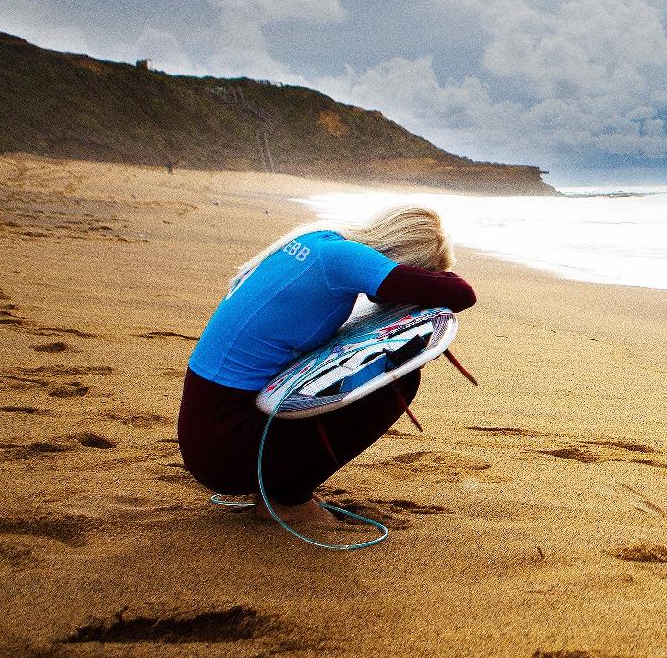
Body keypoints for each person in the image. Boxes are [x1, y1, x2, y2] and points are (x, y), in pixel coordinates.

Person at [178, 206, 477, 527]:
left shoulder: (316, 241)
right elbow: (461, 293)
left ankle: (279, 486)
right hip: (230, 450)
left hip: (206, 433)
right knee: (400, 381)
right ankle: (288, 499)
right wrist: (430, 272)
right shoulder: (345, 260)